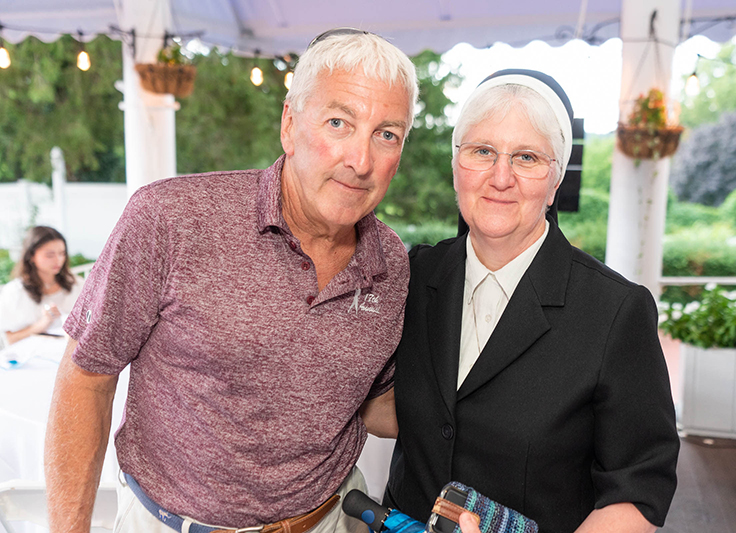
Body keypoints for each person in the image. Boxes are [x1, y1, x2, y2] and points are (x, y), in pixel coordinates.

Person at [44, 29, 418, 533]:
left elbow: (375, 405)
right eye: (338, 123)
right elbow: (86, 377)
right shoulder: (170, 219)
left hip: (330, 520)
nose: (361, 160)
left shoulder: (391, 261)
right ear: (290, 123)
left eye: (387, 134)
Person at [384, 70, 680, 533]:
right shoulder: (411, 277)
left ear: (556, 180)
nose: (501, 178)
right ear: (456, 164)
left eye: (526, 157)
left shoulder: (614, 312)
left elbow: (637, 488)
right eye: (482, 152)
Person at [0, 226, 84, 346]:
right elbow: (10, 339)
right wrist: (41, 324)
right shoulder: (14, 292)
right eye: (50, 255)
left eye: (62, 253)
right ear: (31, 256)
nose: (58, 260)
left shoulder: (76, 284)